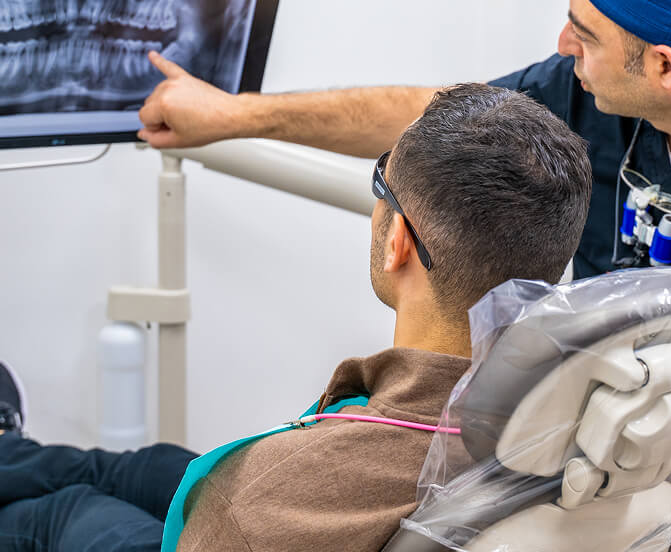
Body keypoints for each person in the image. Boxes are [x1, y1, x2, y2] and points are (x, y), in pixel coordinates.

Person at [138, 0, 671, 550]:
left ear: (667, 66)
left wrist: (657, 511)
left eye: (585, 35)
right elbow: (444, 126)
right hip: (583, 460)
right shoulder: (599, 91)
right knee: (176, 485)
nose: (562, 46)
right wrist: (237, 117)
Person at [0, 83, 592, 552]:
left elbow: (235, 522)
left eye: (381, 186)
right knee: (151, 466)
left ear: (398, 244)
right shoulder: (588, 425)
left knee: (69, 511)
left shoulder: (265, 496)